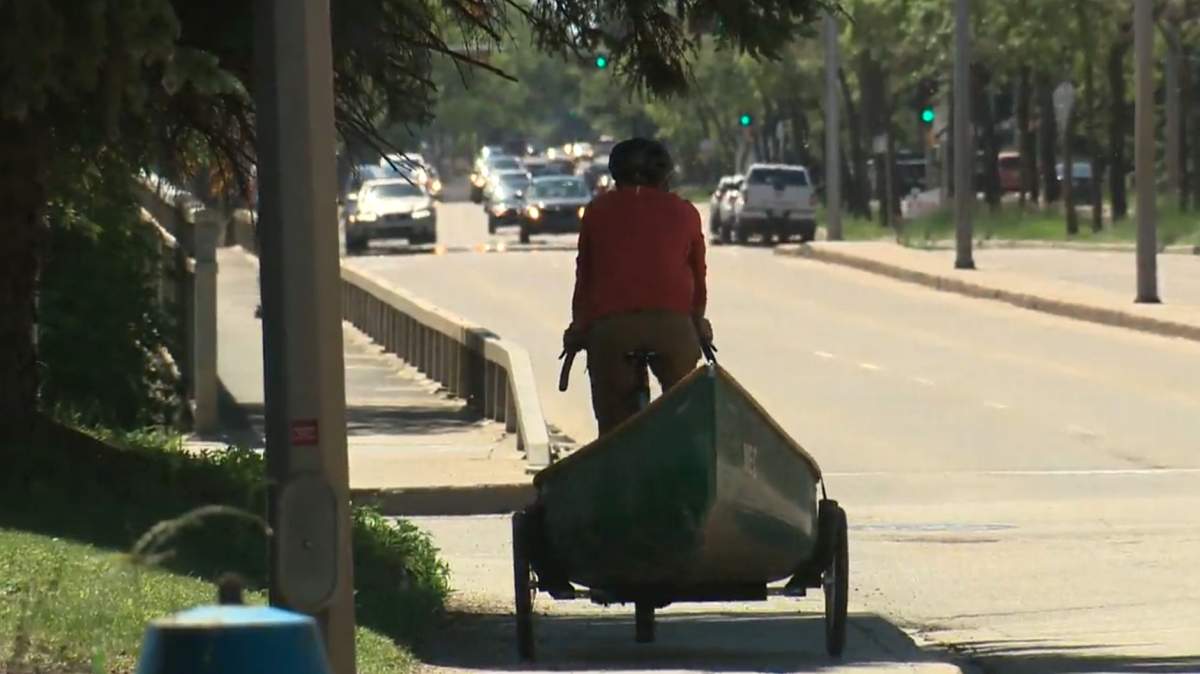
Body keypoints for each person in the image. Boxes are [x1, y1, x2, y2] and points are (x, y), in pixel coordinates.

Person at [563, 137, 713, 435]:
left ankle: (619, 459)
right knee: (683, 406)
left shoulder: (597, 211)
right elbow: (697, 277)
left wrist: (578, 328)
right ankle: (682, 449)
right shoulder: (685, 212)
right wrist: (698, 322)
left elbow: (586, 278)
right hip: (673, 328)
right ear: (665, 176)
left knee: (614, 421)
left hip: (612, 329)